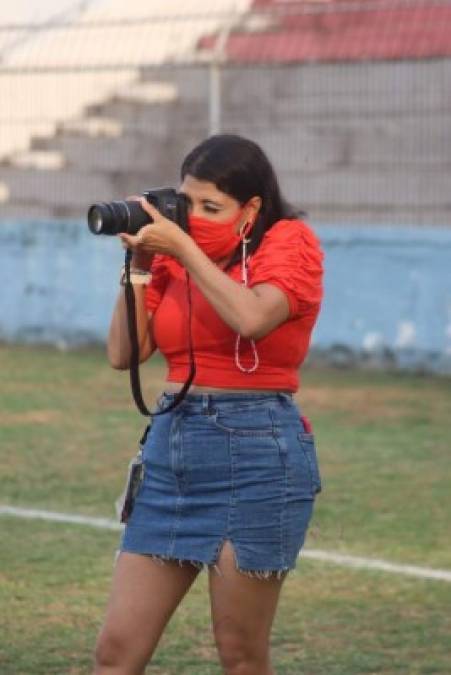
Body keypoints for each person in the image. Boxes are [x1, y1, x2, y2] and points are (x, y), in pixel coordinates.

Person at [94, 134, 324, 675]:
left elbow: (252, 318)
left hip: (258, 453)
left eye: (210, 207)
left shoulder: (290, 243)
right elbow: (123, 353)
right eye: (186, 201)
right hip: (173, 450)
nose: (192, 217)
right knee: (115, 652)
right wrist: (141, 264)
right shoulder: (174, 256)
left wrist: (182, 248)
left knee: (240, 654)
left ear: (251, 209)